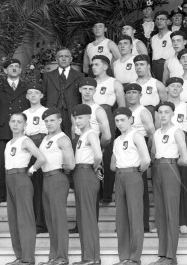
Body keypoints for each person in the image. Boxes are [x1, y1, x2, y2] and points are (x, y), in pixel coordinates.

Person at [4, 112, 46, 265]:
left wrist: (32, 170)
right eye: (13, 121)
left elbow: (41, 158)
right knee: (13, 220)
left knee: (25, 220)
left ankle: (28, 258)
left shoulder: (25, 141)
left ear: (25, 125)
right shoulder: (9, 143)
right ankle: (20, 256)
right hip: (9, 179)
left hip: (21, 178)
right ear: (9, 123)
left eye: (19, 122)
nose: (15, 124)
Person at [151, 101, 187, 265]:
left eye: (166, 112)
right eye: (160, 112)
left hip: (170, 167)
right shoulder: (156, 133)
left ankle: (171, 256)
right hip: (157, 167)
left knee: (171, 212)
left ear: (172, 114)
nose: (163, 115)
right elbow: (153, 153)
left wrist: (172, 163)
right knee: (160, 213)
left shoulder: (177, 131)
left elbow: (185, 158)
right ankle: (162, 254)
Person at [111, 106, 151, 265]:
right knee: (121, 218)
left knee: (135, 216)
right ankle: (124, 256)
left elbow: (146, 160)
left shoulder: (137, 135)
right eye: (117, 121)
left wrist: (136, 172)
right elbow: (113, 164)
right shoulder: (117, 140)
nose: (120, 123)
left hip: (133, 174)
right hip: (119, 175)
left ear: (131, 120)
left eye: (122, 120)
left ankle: (135, 258)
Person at [0, 58, 30, 204]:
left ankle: (22, 194)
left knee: (23, 162)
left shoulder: (27, 88)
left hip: (23, 132)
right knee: (3, 163)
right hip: (4, 131)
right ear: (5, 70)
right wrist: (1, 123)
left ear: (20, 70)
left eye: (16, 66)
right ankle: (2, 195)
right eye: (11, 66)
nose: (14, 68)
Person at [39, 108, 75, 265]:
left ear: (60, 120)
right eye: (46, 121)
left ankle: (62, 257)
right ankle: (53, 256)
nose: (49, 123)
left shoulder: (63, 139)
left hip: (57, 177)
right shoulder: (46, 138)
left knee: (58, 219)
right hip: (46, 178)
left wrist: (60, 172)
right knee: (50, 219)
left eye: (52, 120)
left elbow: (71, 164)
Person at [72, 104, 103, 265]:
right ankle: (87, 257)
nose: (77, 121)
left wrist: (96, 167)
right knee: (82, 217)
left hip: (86, 172)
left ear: (89, 117)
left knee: (88, 216)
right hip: (79, 173)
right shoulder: (82, 135)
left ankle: (93, 257)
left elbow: (98, 154)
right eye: (76, 118)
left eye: (81, 117)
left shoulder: (91, 134)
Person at [89, 55, 122, 204]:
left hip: (107, 114)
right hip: (91, 115)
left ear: (105, 66)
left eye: (96, 64)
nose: (93, 67)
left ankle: (107, 193)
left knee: (107, 153)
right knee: (92, 152)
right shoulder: (90, 83)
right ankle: (96, 191)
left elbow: (122, 107)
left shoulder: (114, 82)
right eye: (92, 65)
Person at [124, 79, 156, 233]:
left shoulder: (143, 112)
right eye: (128, 92)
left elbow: (152, 134)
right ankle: (130, 222)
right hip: (126, 148)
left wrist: (146, 153)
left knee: (140, 187)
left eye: (134, 92)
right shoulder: (125, 111)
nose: (131, 95)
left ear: (140, 94)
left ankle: (143, 224)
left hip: (139, 145)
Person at [167, 77, 187, 234]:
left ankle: (182, 222)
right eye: (172, 86)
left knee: (182, 184)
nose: (175, 89)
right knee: (166, 185)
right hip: (166, 143)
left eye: (178, 86)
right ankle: (166, 221)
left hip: (182, 143)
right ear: (167, 88)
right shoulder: (163, 107)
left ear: (182, 89)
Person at [24, 80, 49, 232]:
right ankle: (32, 219)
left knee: (41, 185)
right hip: (28, 148)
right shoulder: (24, 114)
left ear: (42, 95)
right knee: (31, 185)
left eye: (36, 93)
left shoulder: (46, 111)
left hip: (42, 146)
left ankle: (42, 222)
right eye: (30, 93)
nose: (33, 96)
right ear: (27, 96)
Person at [41, 48, 83, 137]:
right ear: (56, 59)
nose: (63, 59)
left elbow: (81, 97)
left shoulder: (79, 75)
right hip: (53, 113)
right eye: (60, 56)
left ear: (71, 59)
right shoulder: (48, 76)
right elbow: (43, 96)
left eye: (66, 56)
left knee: (71, 139)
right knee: (53, 139)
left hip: (71, 113)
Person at [150, 11, 175, 80]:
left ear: (168, 21)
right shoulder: (153, 38)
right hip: (155, 66)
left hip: (167, 66)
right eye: (157, 19)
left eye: (162, 19)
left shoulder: (172, 35)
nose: (159, 21)